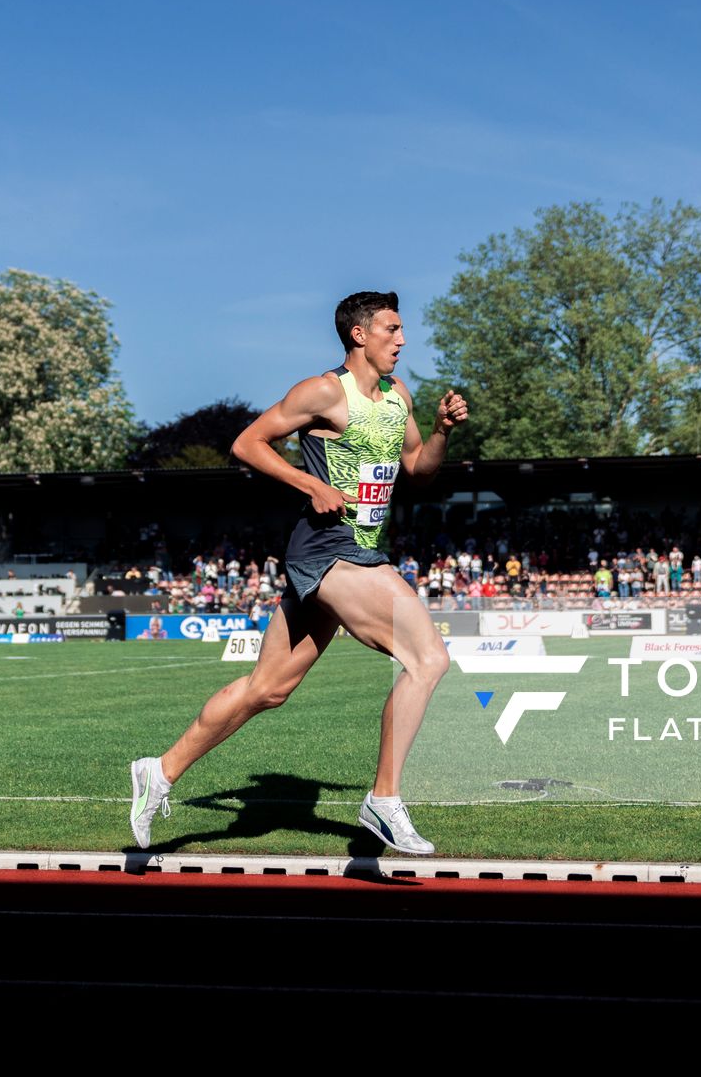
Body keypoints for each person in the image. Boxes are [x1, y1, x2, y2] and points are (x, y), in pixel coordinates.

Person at [128, 291, 468, 855]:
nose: (402, 340)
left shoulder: (396, 395)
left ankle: (158, 773)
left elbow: (418, 470)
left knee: (268, 689)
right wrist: (309, 483)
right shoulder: (322, 392)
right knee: (428, 658)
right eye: (392, 329)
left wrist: (440, 433)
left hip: (359, 553)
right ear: (359, 334)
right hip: (330, 552)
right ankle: (384, 801)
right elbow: (247, 443)